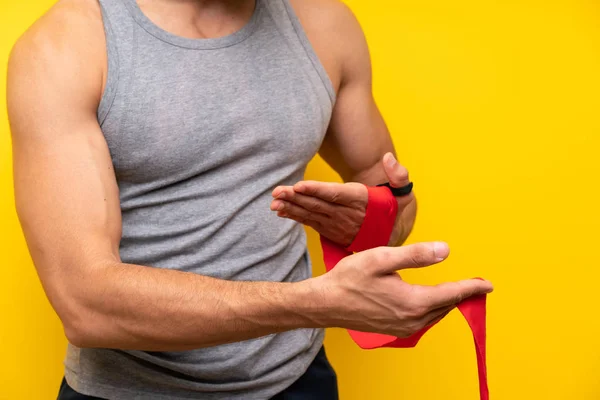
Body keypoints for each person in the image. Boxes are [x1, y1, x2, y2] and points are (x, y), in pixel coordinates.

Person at [7, 0, 493, 398]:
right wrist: (314, 304)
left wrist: (374, 220)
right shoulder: (66, 45)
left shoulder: (325, 24)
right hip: (131, 392)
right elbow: (85, 304)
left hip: (300, 383)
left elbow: (388, 199)